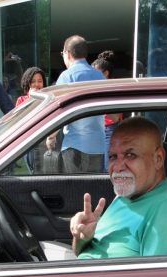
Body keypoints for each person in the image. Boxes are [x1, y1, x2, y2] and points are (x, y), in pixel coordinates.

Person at [70, 116, 167, 258]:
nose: (117, 167)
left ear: (158, 159)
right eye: (113, 156)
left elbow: (163, 273)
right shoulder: (126, 196)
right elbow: (83, 252)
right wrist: (82, 238)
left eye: (130, 155)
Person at [56, 35, 105, 173]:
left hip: (74, 145)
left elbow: (57, 111)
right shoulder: (100, 77)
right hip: (97, 146)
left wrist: (50, 136)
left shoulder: (67, 77)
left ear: (67, 53)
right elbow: (113, 116)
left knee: (73, 186)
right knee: (94, 186)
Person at [92, 50, 123, 171]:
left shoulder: (113, 89)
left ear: (106, 73)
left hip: (109, 130)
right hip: (98, 131)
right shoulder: (99, 89)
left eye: (95, 73)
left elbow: (115, 117)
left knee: (106, 168)